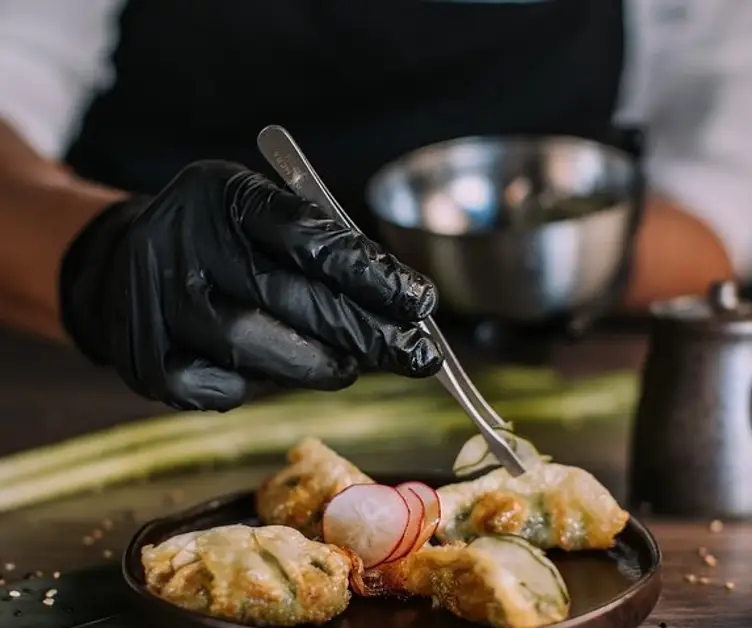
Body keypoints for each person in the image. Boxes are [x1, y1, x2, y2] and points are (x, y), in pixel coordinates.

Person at [0, 0, 748, 412]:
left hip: (525, 368)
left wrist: (518, 264)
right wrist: (103, 256)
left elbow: (722, 196)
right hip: (126, 384)